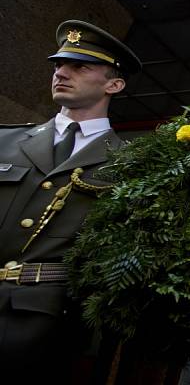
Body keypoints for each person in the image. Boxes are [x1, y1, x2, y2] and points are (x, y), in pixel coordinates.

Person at [0, 20, 140, 378]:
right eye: (59, 64)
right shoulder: (5, 142)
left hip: (49, 324)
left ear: (114, 84)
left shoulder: (132, 166)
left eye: (80, 66)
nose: (61, 72)